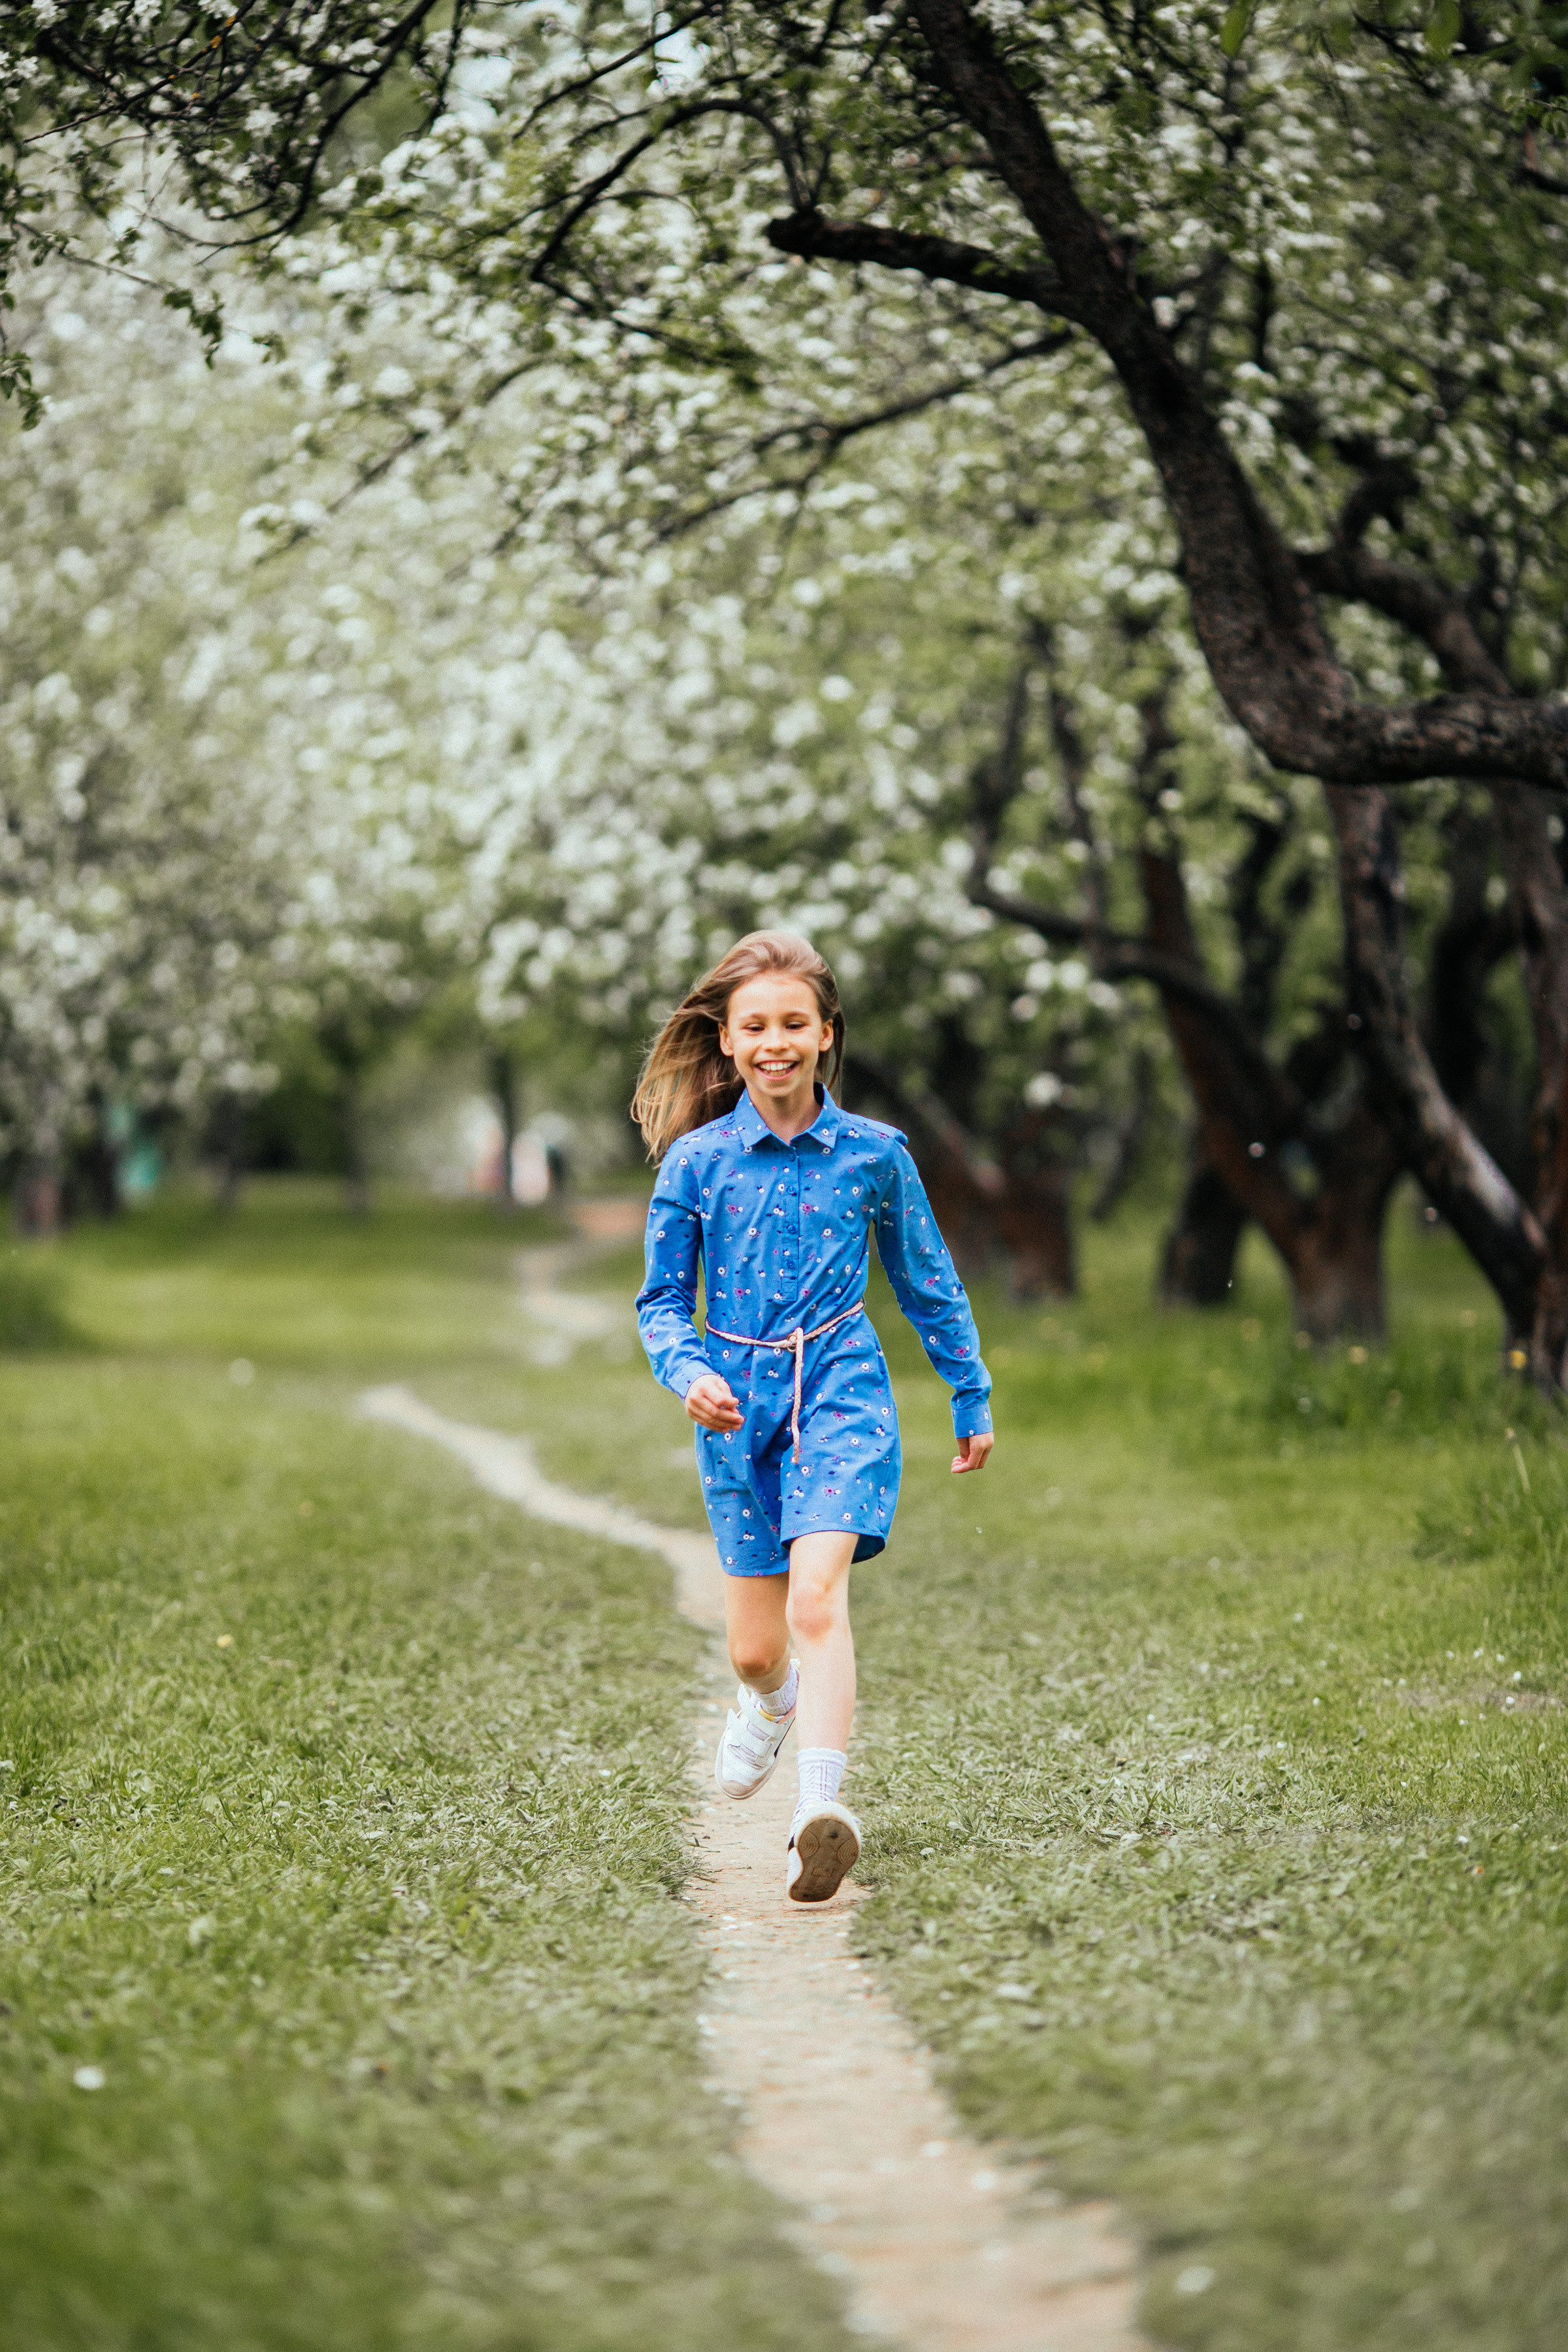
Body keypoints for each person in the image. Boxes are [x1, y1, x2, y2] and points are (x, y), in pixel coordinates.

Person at [632, 930, 994, 1904]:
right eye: (755, 1027)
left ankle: (817, 1815)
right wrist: (687, 1371)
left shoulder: (876, 1155)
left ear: (826, 1033)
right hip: (734, 1408)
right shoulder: (696, 1164)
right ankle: (771, 1700)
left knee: (816, 1601)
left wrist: (969, 1391)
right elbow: (660, 1301)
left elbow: (927, 1282)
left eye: (795, 1023)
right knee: (756, 1649)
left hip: (841, 1391)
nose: (776, 1043)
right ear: (727, 1041)